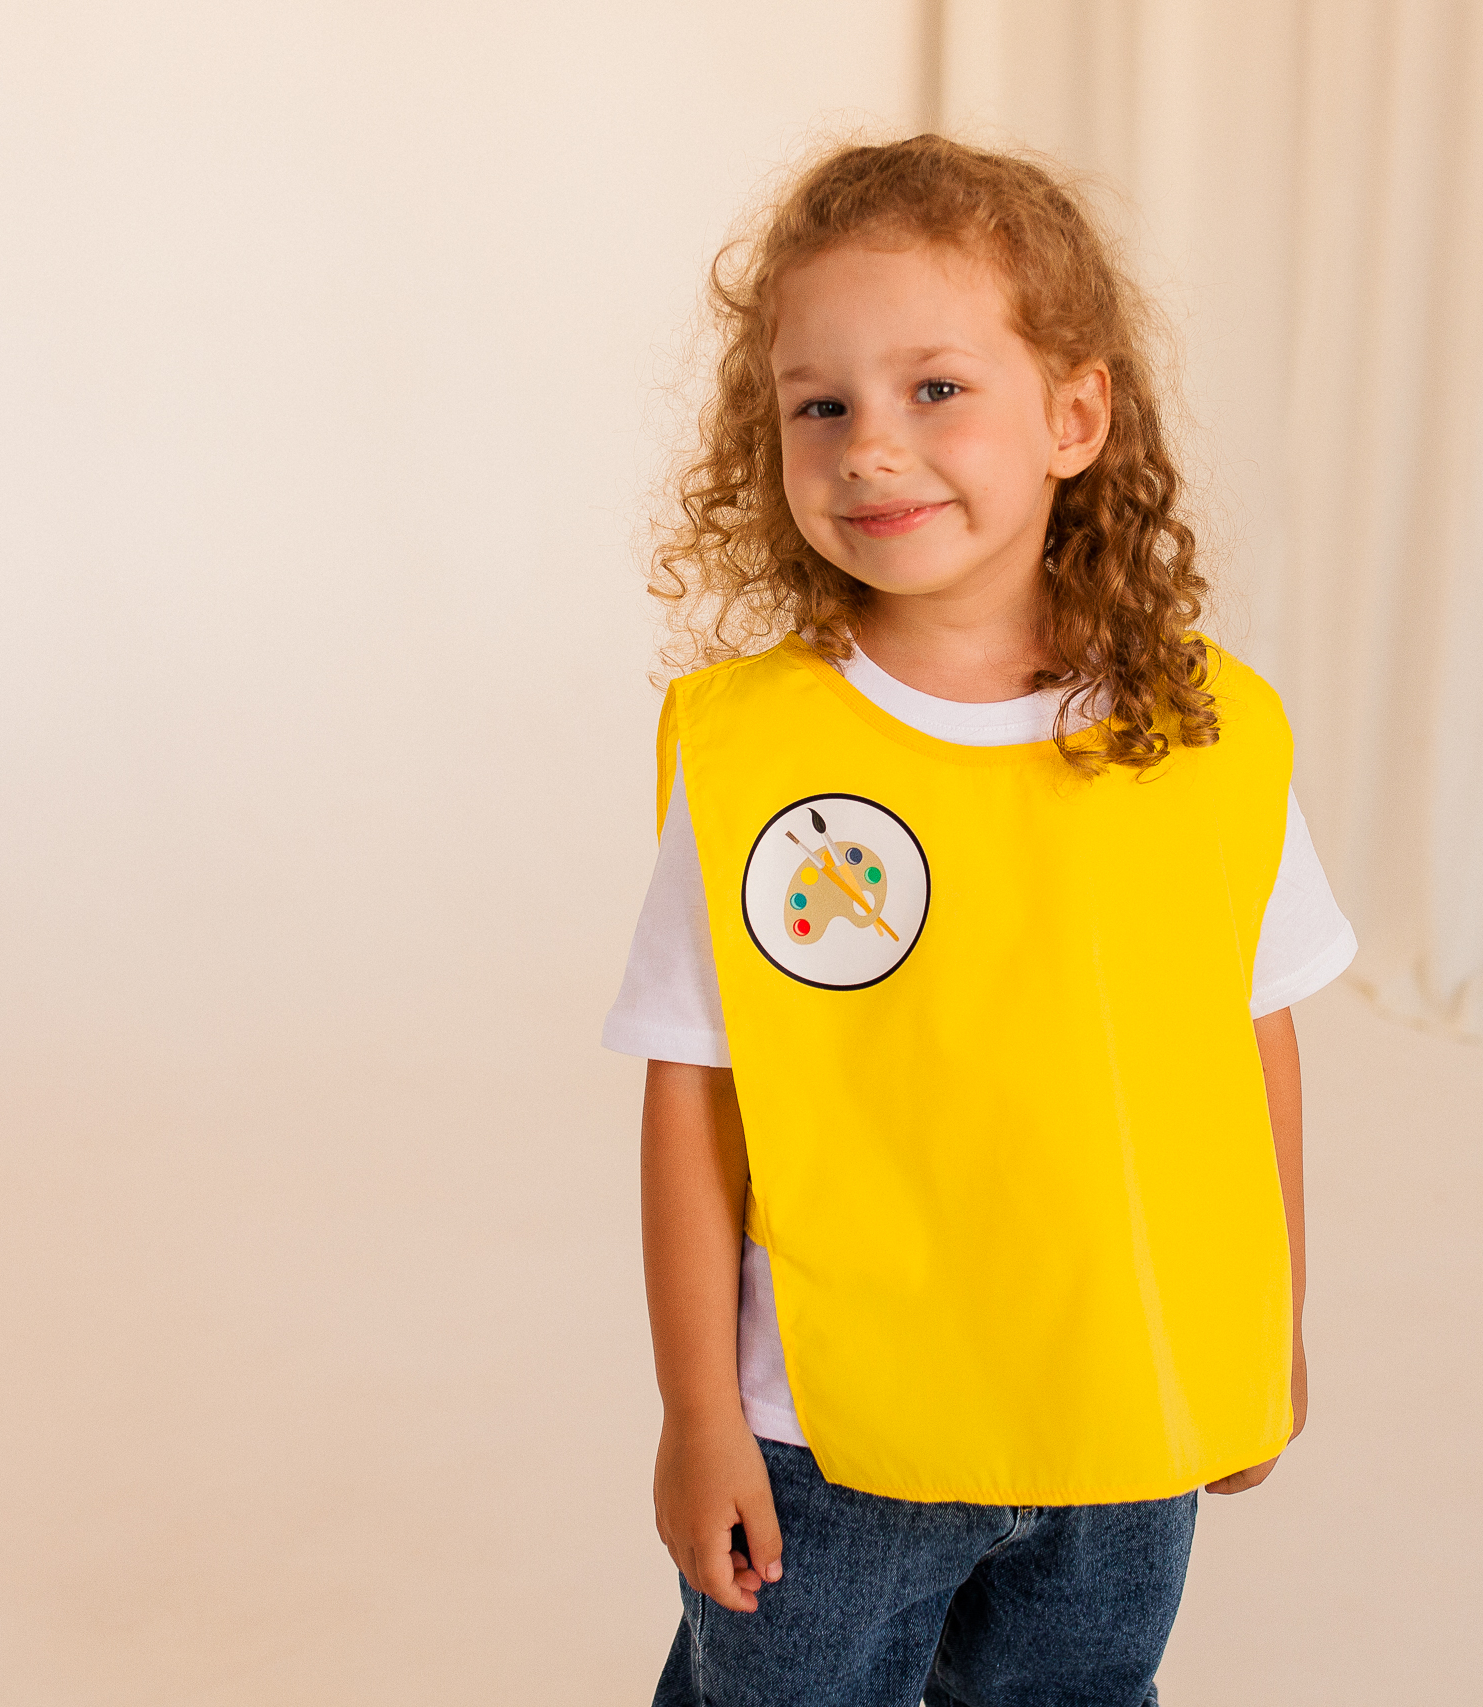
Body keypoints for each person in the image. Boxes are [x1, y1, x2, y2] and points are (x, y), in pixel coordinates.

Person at [601, 134, 1356, 1707]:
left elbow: (1252, 1045)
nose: (871, 447)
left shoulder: (1211, 735)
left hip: (1120, 1417)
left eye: (935, 388)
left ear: (1075, 416)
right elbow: (695, 1096)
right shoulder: (754, 758)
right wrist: (699, 1414)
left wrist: (1265, 1327)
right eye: (820, 406)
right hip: (828, 1443)